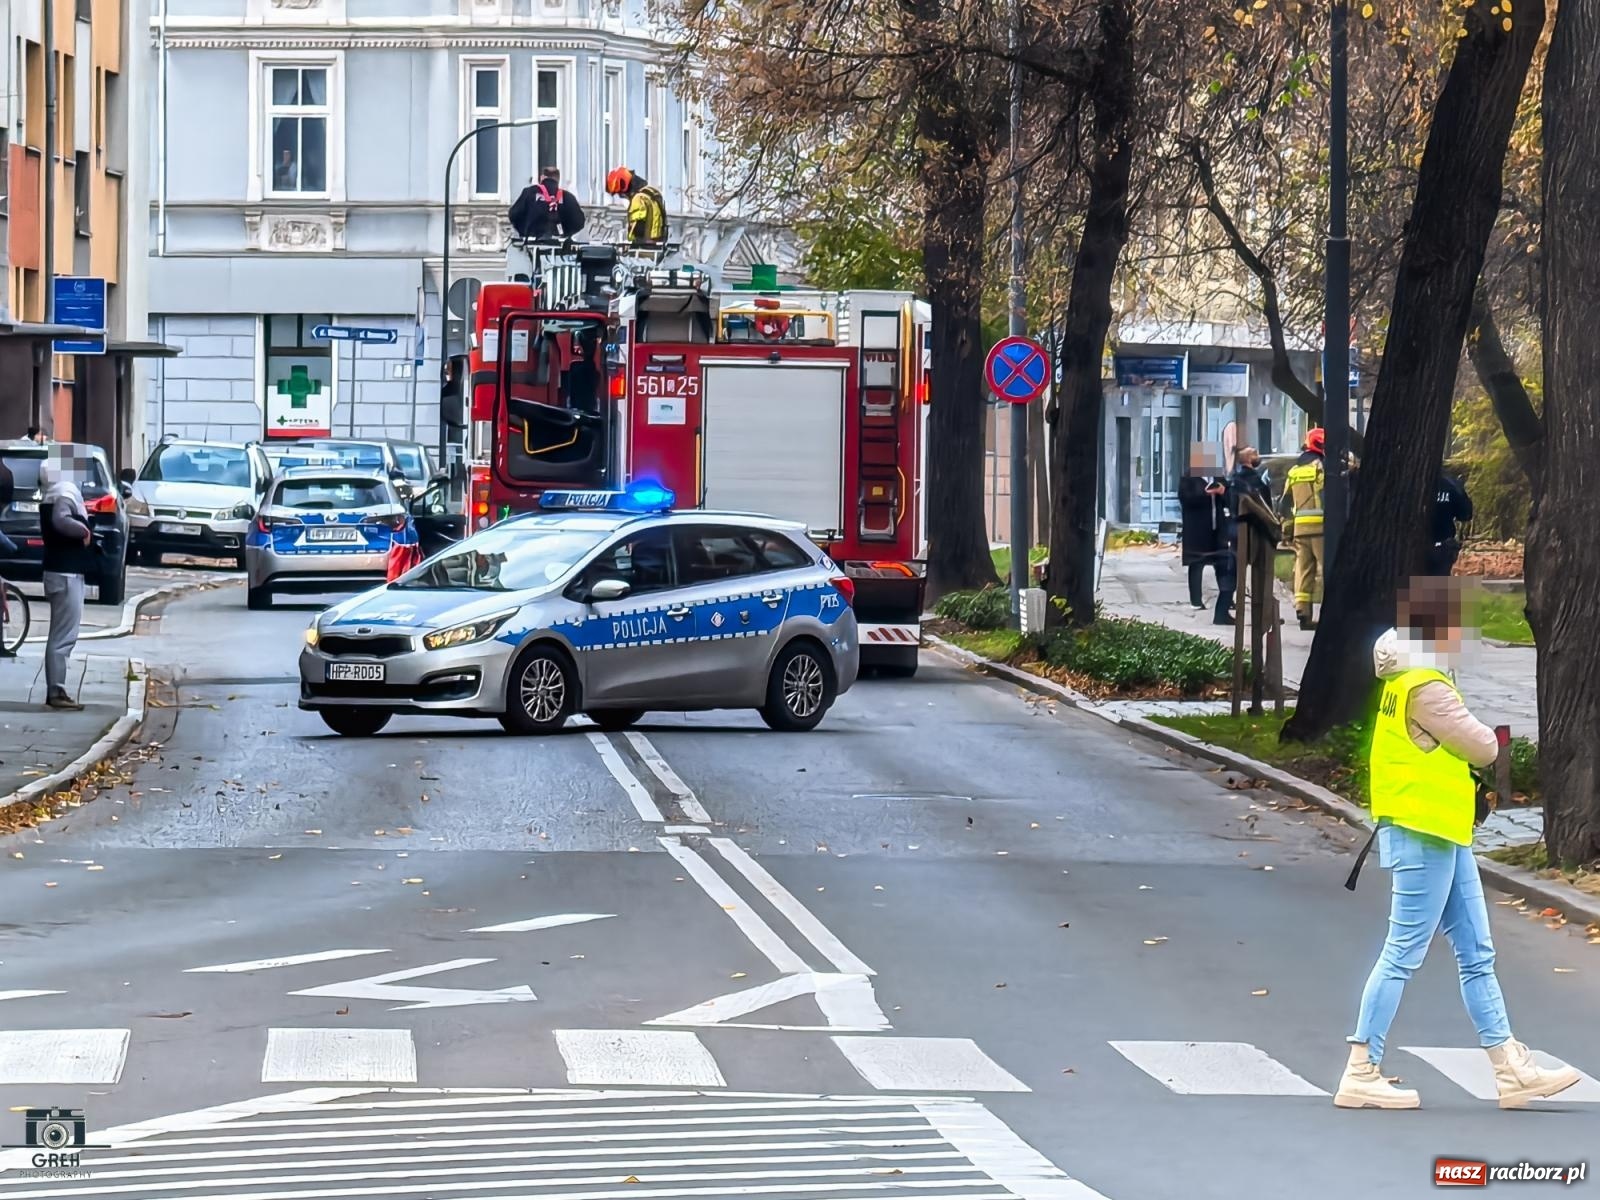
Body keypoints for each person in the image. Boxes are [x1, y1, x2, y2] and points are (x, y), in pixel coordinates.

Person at [1337, 577, 1580, 1111]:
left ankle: (1510, 1069)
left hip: (1441, 834)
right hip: (1424, 835)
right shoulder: (1426, 686)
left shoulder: (1406, 681)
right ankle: (1361, 1067)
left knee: (1477, 953)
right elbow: (1481, 745)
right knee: (1402, 953)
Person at [38, 455, 94, 711]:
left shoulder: (51, 493)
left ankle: (56, 689)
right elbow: (62, 520)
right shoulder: (64, 493)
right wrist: (83, 531)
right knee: (63, 635)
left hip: (58, 570)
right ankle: (56, 691)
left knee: (59, 634)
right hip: (66, 573)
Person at [1178, 452, 1235, 626]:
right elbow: (1186, 499)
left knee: (1222, 563)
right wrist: (1206, 494)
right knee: (1197, 563)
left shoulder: (1217, 477)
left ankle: (1226, 598)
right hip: (1197, 529)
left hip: (1217, 528)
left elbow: (1229, 497)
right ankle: (1196, 600)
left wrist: (1222, 492)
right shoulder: (1188, 478)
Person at [1282, 428, 1326, 630]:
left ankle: (1303, 610)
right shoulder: (1322, 468)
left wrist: (1287, 530)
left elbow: (1285, 504)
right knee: (1327, 570)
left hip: (1300, 529)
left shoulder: (1294, 471)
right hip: (1322, 527)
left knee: (1303, 570)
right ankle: (1329, 612)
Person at [509, 166, 586, 240]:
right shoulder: (568, 197)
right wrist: (567, 234)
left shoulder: (529, 193)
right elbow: (579, 221)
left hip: (531, 243)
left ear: (542, 177)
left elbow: (513, 214)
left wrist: (523, 231)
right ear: (558, 179)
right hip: (560, 246)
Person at [605, 166, 668, 247]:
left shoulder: (638, 199)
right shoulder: (651, 193)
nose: (621, 196)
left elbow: (639, 225)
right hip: (657, 243)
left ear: (625, 188)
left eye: (620, 193)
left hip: (645, 246)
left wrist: (635, 244)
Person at [1427, 473, 1473, 577]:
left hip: (1417, 545)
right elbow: (1465, 514)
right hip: (1443, 545)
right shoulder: (1451, 485)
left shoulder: (1413, 479)